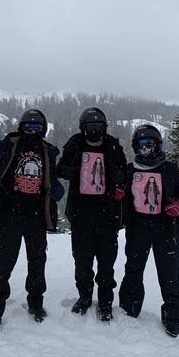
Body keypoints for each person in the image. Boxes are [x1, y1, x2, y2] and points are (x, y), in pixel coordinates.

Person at [0, 108, 64, 334]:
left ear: (43, 130)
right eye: (28, 127)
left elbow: (51, 178)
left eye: (37, 128)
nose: (32, 131)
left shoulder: (47, 151)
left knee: (37, 262)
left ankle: (36, 302)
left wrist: (55, 188)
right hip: (11, 214)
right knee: (3, 263)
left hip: (36, 216)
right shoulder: (8, 146)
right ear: (21, 127)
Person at [57, 107, 127, 321]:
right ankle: (85, 297)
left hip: (107, 213)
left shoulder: (113, 146)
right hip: (80, 212)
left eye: (98, 127)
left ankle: (105, 302)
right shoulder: (75, 144)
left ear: (104, 128)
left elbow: (124, 172)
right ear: (83, 128)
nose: (94, 131)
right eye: (90, 127)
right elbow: (61, 168)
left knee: (107, 262)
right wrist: (74, 170)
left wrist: (117, 181)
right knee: (82, 260)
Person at [118, 124, 179, 338]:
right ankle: (128, 309)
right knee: (133, 270)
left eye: (149, 144)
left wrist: (178, 204)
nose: (145, 148)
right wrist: (120, 198)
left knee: (169, 276)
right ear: (135, 147)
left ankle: (173, 318)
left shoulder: (169, 169)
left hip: (165, 228)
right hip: (137, 227)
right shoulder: (131, 170)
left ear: (157, 145)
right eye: (141, 144)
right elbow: (124, 195)